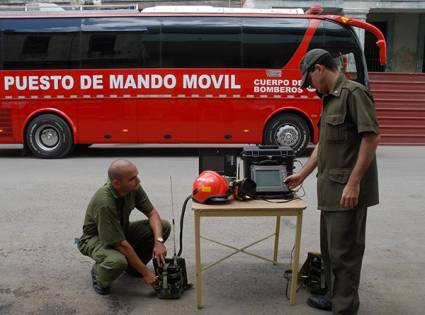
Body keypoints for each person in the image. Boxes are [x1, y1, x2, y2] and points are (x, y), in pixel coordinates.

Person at [285, 49, 380, 314]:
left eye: (309, 79)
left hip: (347, 191)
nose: (309, 86)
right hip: (331, 191)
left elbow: (371, 138)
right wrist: (302, 174)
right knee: (330, 251)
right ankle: (334, 295)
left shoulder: (352, 93)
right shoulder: (330, 99)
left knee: (345, 255)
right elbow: (324, 145)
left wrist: (354, 183)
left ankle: (344, 308)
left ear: (319, 69)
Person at [78, 159, 171, 295]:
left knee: (164, 227)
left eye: (137, 176)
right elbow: (120, 244)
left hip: (120, 231)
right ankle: (99, 274)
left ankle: (134, 269)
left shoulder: (133, 187)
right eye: (132, 178)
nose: (138, 180)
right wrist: (147, 274)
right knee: (117, 262)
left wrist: (159, 241)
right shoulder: (105, 202)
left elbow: (152, 213)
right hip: (96, 238)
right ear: (116, 183)